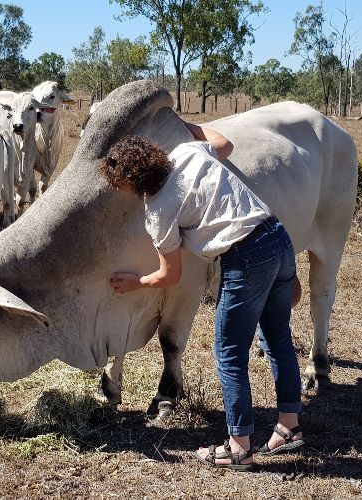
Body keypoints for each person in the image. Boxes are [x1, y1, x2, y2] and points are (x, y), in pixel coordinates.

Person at [101, 123, 304, 471]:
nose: (119, 191)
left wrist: (138, 282)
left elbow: (171, 275)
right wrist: (186, 126)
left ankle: (239, 447)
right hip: (278, 237)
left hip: (246, 257)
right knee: (278, 340)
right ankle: (289, 427)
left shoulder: (158, 211)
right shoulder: (186, 152)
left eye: (119, 185)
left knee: (229, 354)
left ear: (131, 183)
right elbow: (225, 143)